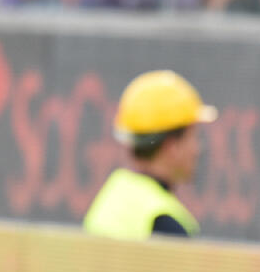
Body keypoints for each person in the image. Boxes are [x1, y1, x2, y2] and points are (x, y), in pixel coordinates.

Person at [83, 70, 217, 239]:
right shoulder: (166, 224)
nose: (197, 149)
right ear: (172, 146)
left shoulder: (112, 195)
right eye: (193, 137)